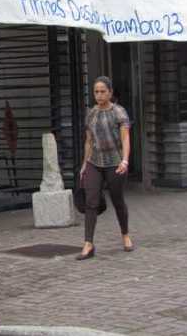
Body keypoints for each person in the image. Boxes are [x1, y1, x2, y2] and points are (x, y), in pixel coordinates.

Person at [76, 76, 133, 260]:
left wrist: (125, 160)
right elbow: (89, 141)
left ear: (110, 92)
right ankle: (88, 243)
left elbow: (125, 138)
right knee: (91, 201)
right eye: (96, 92)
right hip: (95, 161)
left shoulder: (119, 112)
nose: (99, 95)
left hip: (115, 162)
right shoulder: (91, 114)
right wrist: (85, 164)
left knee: (117, 200)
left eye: (102, 91)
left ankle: (125, 234)